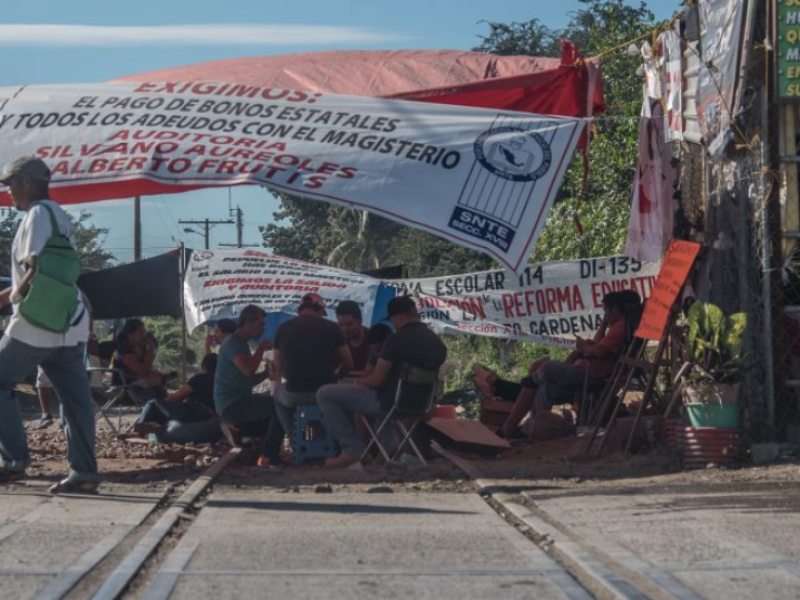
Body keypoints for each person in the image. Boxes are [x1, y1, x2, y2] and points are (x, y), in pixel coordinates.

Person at [0, 155, 99, 494]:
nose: (9, 192)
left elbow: (35, 263)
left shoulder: (37, 215)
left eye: (11, 184)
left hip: (36, 324)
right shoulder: (60, 215)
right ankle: (84, 474)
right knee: (75, 400)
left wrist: (16, 298)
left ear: (26, 182)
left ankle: (14, 461)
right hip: (67, 323)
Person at [475, 290, 642, 438]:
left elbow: (599, 351)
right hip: (585, 369)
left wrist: (583, 346)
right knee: (544, 390)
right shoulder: (617, 326)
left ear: (615, 309)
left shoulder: (621, 327)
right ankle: (528, 429)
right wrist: (602, 327)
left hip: (591, 373)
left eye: (606, 311)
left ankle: (528, 385)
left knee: (545, 368)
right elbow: (597, 345)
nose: (605, 315)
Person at [317, 295, 447, 468]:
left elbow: (377, 380)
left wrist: (359, 383)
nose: (394, 325)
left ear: (400, 317)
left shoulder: (395, 340)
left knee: (325, 393)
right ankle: (387, 442)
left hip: (390, 403)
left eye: (393, 320)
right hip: (421, 405)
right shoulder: (437, 343)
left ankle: (352, 450)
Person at [271, 292, 354, 437]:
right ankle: (340, 440)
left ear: (299, 311)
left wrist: (291, 377)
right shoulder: (333, 328)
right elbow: (348, 363)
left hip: (294, 393)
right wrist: (335, 376)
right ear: (321, 310)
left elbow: (278, 368)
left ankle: (294, 438)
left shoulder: (282, 329)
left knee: (277, 396)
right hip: (326, 391)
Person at [215, 304, 284, 467]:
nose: (263, 329)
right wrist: (261, 348)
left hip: (238, 401)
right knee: (280, 406)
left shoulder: (242, 344)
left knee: (275, 410)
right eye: (260, 324)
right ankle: (269, 455)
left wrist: (265, 374)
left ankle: (244, 437)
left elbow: (248, 379)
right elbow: (248, 369)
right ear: (248, 322)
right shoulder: (232, 343)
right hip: (232, 405)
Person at [131, 353, 219, 438]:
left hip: (196, 411)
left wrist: (164, 403)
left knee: (153, 404)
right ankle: (155, 426)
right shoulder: (222, 381)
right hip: (211, 416)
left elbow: (176, 397)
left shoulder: (200, 378)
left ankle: (138, 433)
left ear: (204, 367)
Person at [111, 318, 172, 399]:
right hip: (124, 386)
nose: (144, 335)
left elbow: (146, 369)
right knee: (151, 393)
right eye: (140, 332)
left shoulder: (140, 347)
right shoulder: (123, 350)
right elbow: (143, 371)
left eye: (144, 331)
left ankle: (163, 410)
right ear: (130, 335)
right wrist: (151, 350)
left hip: (139, 382)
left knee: (161, 389)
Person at [335, 300, 370, 375]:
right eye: (341, 325)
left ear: (360, 320)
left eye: (349, 324)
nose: (345, 329)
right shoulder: (337, 340)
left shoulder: (374, 339)